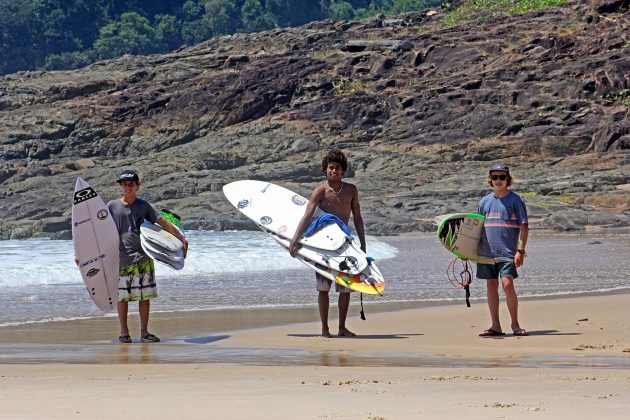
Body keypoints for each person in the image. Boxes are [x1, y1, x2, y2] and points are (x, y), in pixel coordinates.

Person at [289, 149, 366, 338]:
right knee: (324, 288)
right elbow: (307, 216)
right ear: (325, 170)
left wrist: (363, 245)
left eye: (338, 168)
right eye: (331, 168)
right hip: (323, 244)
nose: (334, 171)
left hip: (344, 244)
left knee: (345, 288)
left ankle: (342, 327)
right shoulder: (320, 191)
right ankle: (324, 329)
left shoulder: (351, 190)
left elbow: (357, 218)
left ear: (343, 170)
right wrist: (295, 240)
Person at [107, 170, 188, 343]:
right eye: (124, 184)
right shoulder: (112, 207)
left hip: (145, 256)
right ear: (120, 186)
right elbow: (98, 233)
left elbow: (163, 223)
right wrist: (83, 255)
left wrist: (181, 239)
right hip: (123, 258)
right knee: (123, 297)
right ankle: (124, 332)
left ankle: (144, 332)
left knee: (145, 297)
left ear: (137, 186)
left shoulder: (144, 206)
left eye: (131, 184)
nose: (128, 187)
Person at [476, 163, 529, 337]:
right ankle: (496, 326)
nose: (498, 180)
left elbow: (524, 226)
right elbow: (475, 229)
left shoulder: (515, 200)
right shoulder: (484, 201)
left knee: (507, 284)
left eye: (502, 177)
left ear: (508, 179)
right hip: (486, 252)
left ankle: (515, 324)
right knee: (491, 285)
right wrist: (466, 251)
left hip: (507, 252)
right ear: (490, 180)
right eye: (495, 177)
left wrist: (520, 250)